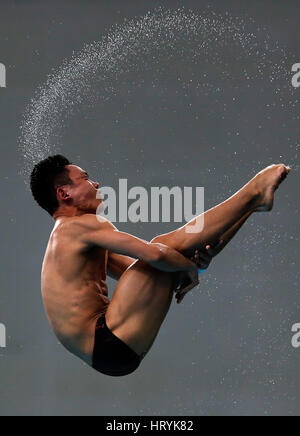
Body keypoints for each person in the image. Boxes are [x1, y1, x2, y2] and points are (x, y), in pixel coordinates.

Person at [30, 155, 290, 376]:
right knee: (162, 246)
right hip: (106, 339)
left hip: (111, 353)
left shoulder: (69, 238)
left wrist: (189, 266)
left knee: (171, 255)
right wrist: (186, 266)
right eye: (86, 178)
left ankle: (253, 204)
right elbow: (154, 255)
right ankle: (254, 192)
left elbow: (146, 268)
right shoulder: (77, 226)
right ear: (64, 193)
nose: (96, 183)